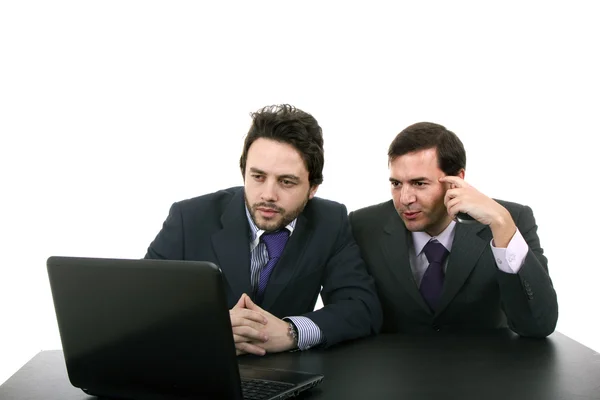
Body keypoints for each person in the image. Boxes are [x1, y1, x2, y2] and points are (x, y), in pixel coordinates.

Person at [145, 104, 382, 355]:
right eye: (258, 177)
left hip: (287, 375)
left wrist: (293, 332)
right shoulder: (189, 218)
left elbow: (362, 307)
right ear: (243, 172)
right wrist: (209, 327)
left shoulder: (330, 221)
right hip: (200, 368)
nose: (268, 195)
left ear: (313, 188)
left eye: (286, 182)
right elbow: (140, 302)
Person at [349, 122, 558, 337]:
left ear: (456, 180)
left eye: (419, 183)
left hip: (484, 366)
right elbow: (351, 312)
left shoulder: (509, 220)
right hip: (394, 366)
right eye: (396, 184)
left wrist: (502, 225)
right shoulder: (363, 226)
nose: (405, 199)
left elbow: (538, 325)